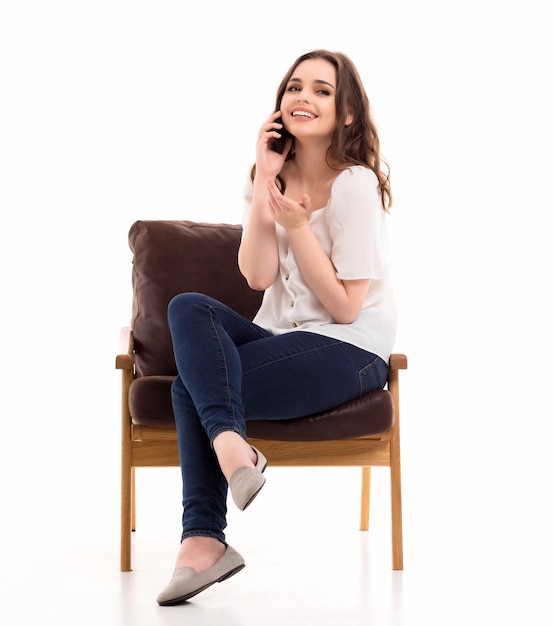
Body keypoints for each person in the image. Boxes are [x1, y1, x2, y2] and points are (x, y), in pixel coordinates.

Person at [156, 49, 397, 606]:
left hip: (350, 349)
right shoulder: (271, 173)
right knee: (189, 306)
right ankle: (233, 449)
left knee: (184, 387)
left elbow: (342, 308)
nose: (303, 99)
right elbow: (258, 274)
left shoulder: (355, 184)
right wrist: (266, 185)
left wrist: (299, 225)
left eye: (321, 90)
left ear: (348, 114)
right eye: (294, 87)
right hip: (285, 339)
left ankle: (202, 542)